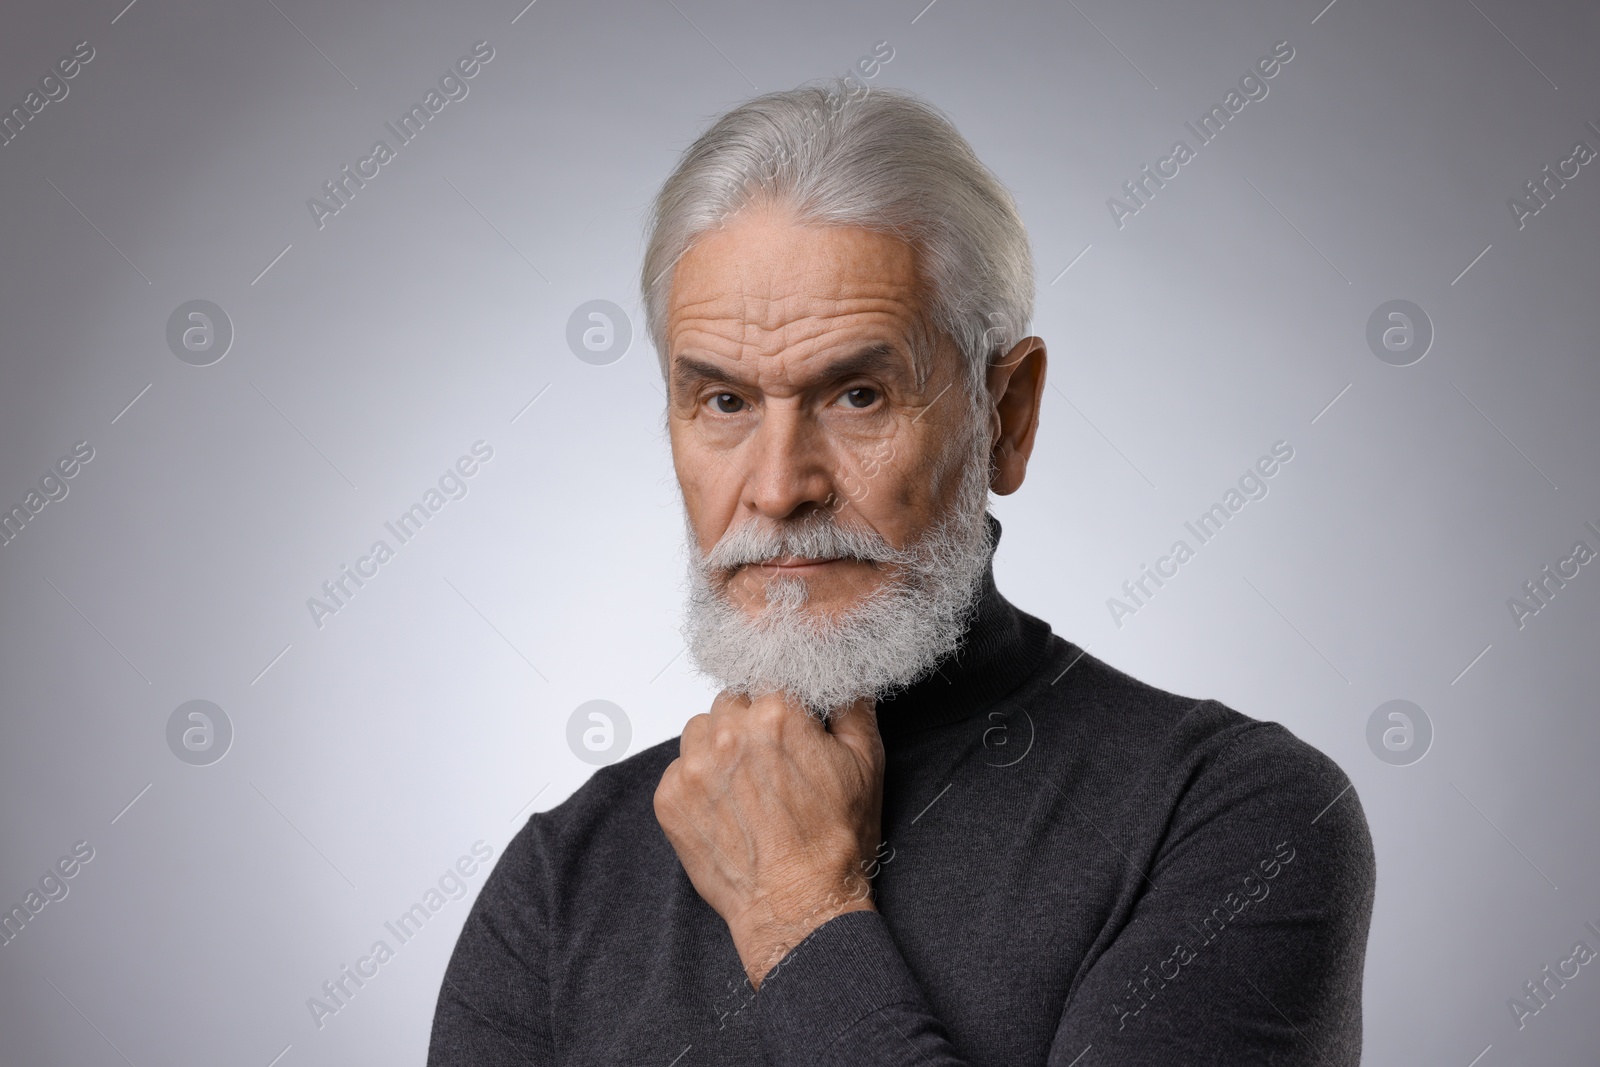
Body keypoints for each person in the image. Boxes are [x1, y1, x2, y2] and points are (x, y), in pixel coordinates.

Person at [427, 79, 1375, 1066]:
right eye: (722, 401)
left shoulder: (1230, 816)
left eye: (858, 393)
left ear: (1004, 417)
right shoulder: (558, 884)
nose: (780, 486)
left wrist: (796, 913)